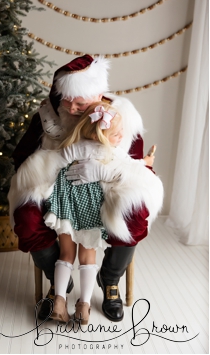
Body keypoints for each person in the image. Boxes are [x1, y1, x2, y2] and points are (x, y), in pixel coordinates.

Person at [9, 55, 161, 322]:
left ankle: (110, 279)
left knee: (135, 214)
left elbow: (138, 168)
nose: (70, 107)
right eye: (65, 99)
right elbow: (21, 159)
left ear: (98, 96)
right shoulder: (48, 116)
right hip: (56, 189)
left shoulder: (118, 117)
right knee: (26, 218)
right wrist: (53, 165)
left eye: (79, 102)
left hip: (109, 187)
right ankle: (58, 283)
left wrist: (104, 172)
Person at [41, 104, 157, 325]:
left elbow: (56, 162)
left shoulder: (74, 145)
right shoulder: (111, 152)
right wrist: (146, 162)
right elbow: (131, 167)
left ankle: (59, 301)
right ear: (98, 134)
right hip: (90, 207)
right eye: (116, 134)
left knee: (65, 255)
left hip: (65, 203)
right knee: (87, 258)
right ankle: (83, 307)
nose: (122, 136)